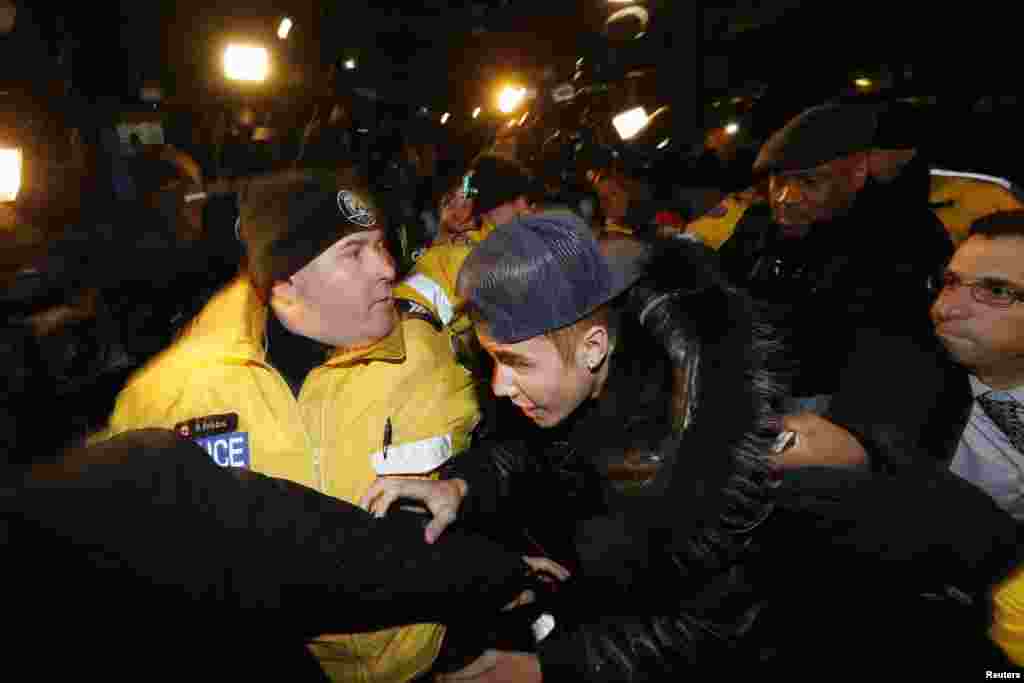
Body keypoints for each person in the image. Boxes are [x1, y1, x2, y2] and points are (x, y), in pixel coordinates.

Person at [361, 212, 1019, 678]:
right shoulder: (600, 378)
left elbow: (719, 626)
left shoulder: (721, 455)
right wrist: (460, 482)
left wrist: (546, 667)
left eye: (515, 361)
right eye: (491, 360)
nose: (500, 385)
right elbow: (541, 454)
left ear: (594, 347)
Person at [97, 168, 482, 683]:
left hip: (422, 666)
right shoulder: (168, 397)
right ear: (284, 281)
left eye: (381, 245)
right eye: (353, 252)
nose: (388, 268)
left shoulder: (425, 357)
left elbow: (484, 473)